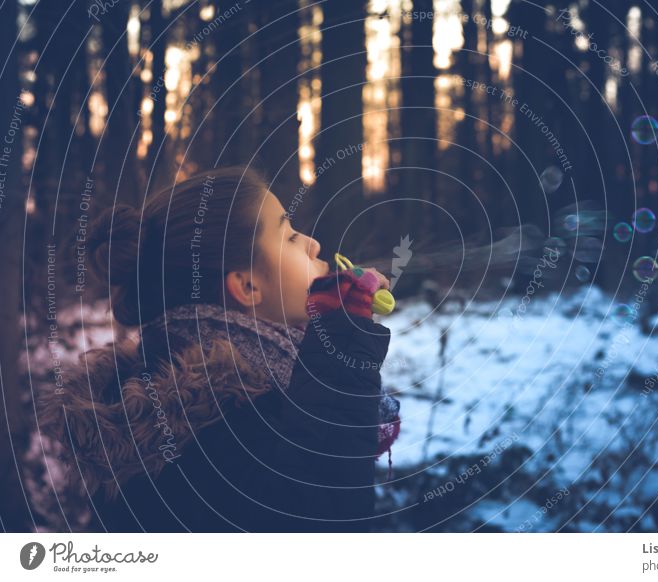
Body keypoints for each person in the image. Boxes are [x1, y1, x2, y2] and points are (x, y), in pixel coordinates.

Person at [38, 166, 400, 532]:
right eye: (289, 237)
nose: (313, 244)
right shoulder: (215, 426)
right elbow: (327, 517)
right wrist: (341, 342)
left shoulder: (211, 383)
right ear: (246, 287)